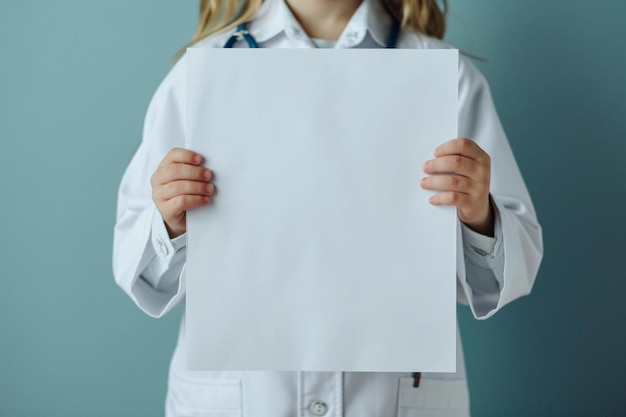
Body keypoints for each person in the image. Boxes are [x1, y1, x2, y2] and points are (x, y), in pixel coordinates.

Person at [113, 0, 543, 415]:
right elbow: (142, 274)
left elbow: (504, 276)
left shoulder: (446, 75)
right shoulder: (199, 74)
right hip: (245, 398)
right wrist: (169, 222)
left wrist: (478, 214)